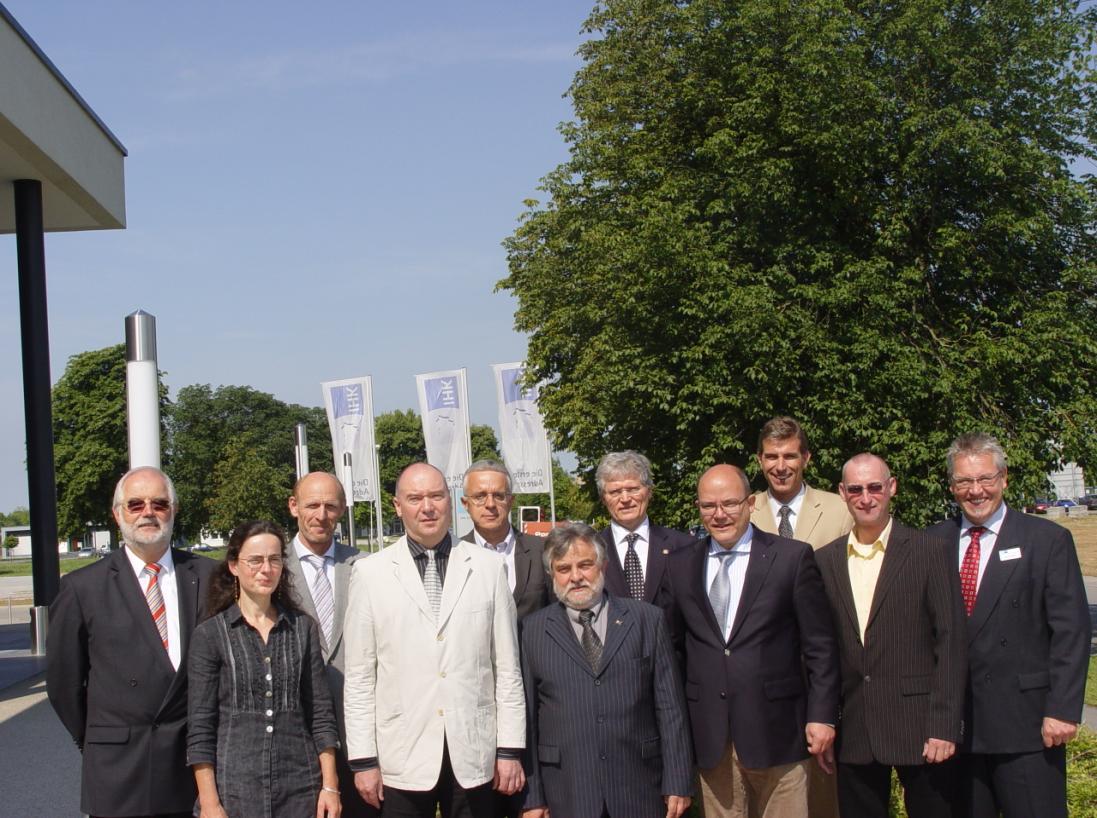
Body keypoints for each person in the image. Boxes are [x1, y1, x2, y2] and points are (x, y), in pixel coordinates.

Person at [343, 463, 525, 818]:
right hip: (401, 755)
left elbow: (506, 667)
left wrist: (509, 749)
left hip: (474, 752)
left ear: (450, 501)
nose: (427, 507)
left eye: (436, 496)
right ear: (397, 506)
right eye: (415, 498)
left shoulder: (488, 568)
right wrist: (363, 759)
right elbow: (360, 677)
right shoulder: (370, 574)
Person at [927, 433, 1090, 818]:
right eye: (965, 482)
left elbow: (1071, 632)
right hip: (957, 731)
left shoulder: (1046, 540)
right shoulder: (932, 541)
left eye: (985, 479)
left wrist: (1063, 709)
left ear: (1003, 479)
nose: (976, 490)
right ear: (952, 487)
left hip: (1029, 728)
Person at [666, 464, 839, 818]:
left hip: (780, 733)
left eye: (729, 503)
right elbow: (675, 648)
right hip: (712, 736)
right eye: (708, 506)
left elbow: (819, 646)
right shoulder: (681, 566)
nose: (719, 514)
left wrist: (822, 716)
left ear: (750, 503)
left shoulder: (791, 558)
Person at [47, 466, 217, 818]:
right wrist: (100, 737)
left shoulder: (209, 576)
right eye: (135, 504)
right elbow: (63, 683)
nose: (148, 513)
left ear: (174, 510)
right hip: (118, 769)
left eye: (159, 503)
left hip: (193, 768)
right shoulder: (82, 587)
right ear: (117, 514)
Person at [815, 454, 966, 818]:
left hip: (921, 728)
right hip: (855, 728)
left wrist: (945, 726)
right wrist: (825, 719)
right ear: (842, 493)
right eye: (855, 489)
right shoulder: (824, 561)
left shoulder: (929, 552)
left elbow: (951, 642)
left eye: (874, 487)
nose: (866, 498)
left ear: (892, 487)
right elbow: (822, 649)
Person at [520, 522, 693, 818]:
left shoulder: (646, 621)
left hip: (638, 785)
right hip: (567, 788)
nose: (575, 577)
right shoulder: (533, 630)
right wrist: (532, 797)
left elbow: (670, 708)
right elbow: (528, 718)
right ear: (552, 576)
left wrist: (678, 780)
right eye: (564, 569)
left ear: (603, 566)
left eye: (585, 565)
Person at [187, 520, 341, 818]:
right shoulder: (210, 635)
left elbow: (321, 713)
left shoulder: (302, 629)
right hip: (235, 791)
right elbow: (201, 726)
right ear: (234, 565)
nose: (265, 569)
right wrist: (209, 801)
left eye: (274, 560)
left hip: (300, 789)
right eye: (255, 560)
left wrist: (330, 786)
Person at [284, 472, 372, 817]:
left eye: (330, 506)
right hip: (297, 737)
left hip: (358, 737)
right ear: (294, 507)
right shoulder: (270, 567)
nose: (321, 515)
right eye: (312, 505)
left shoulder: (365, 566)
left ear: (342, 510)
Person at [595, 450, 694, 612]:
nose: (625, 499)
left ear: (649, 492)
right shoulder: (589, 550)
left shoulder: (684, 546)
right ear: (603, 498)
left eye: (633, 489)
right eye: (615, 492)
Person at [460, 459, 551, 622]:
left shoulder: (543, 550)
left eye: (498, 496)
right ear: (466, 504)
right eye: (480, 496)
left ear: (510, 502)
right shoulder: (454, 556)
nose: (490, 504)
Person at [750, 416, 852, 549]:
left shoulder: (841, 511)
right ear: (760, 460)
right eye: (772, 457)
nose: (781, 467)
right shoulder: (745, 513)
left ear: (805, 458)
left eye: (789, 456)